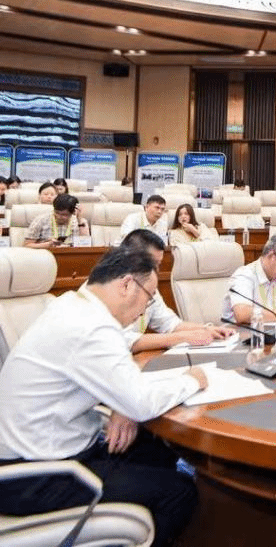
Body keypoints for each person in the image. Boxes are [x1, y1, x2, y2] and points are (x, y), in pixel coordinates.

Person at [0, 246, 209, 547]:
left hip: (47, 449)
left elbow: (118, 379)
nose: (144, 310)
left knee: (154, 445)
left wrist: (123, 406)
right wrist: (192, 380)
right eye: (149, 297)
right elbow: (141, 402)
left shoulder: (72, 305)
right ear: (127, 285)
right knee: (180, 492)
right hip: (34, 476)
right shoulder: (91, 327)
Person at [121, 228, 233, 352]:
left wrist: (206, 329)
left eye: (158, 264)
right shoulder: (111, 287)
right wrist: (182, 337)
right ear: (129, 259)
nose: (156, 271)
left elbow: (170, 324)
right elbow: (123, 340)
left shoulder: (147, 286)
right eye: (151, 264)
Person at [24, 193, 90, 248]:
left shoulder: (79, 222)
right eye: (57, 213)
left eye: (64, 215)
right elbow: (27, 245)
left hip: (71, 256)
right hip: (46, 254)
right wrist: (48, 244)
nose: (59, 217)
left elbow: (85, 246)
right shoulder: (41, 220)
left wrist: (80, 220)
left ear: (73, 212)